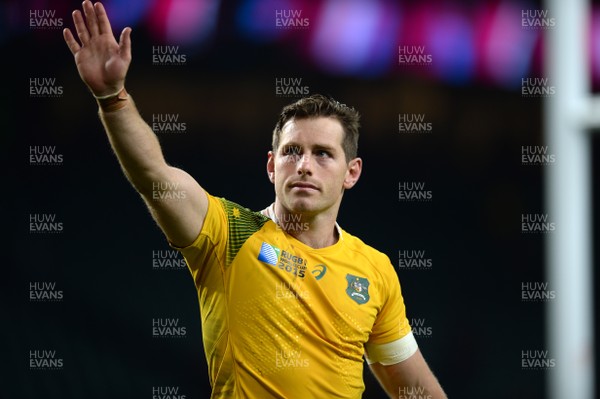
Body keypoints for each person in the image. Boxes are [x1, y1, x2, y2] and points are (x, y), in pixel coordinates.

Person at [63, 2, 447, 398]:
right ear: (271, 166)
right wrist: (112, 97)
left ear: (352, 172)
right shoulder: (228, 232)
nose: (304, 166)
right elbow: (153, 174)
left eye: (323, 153)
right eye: (292, 151)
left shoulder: (374, 269)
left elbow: (412, 387)